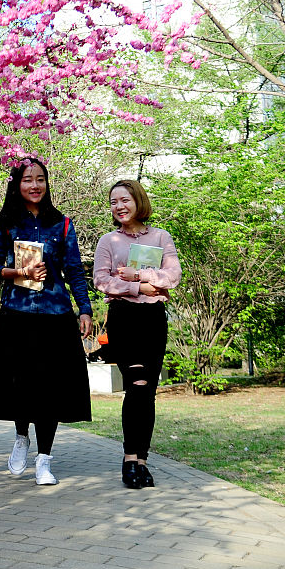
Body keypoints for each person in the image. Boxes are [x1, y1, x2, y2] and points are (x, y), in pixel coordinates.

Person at [0, 158, 93, 485]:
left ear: (47, 183)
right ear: (17, 185)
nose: (35, 185)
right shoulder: (6, 224)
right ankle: (21, 438)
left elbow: (74, 269)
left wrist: (84, 309)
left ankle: (44, 460)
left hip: (55, 315)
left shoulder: (62, 224)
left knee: (50, 389)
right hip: (17, 313)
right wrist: (20, 272)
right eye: (28, 179)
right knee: (20, 385)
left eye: (40, 179)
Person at [93, 179, 182, 489]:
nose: (119, 206)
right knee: (137, 383)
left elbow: (173, 276)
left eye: (125, 200)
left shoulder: (161, 237)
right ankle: (129, 459)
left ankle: (141, 460)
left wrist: (139, 274)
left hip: (153, 319)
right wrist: (139, 287)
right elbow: (101, 281)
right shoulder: (108, 241)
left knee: (147, 390)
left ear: (138, 201)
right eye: (114, 201)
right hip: (124, 319)